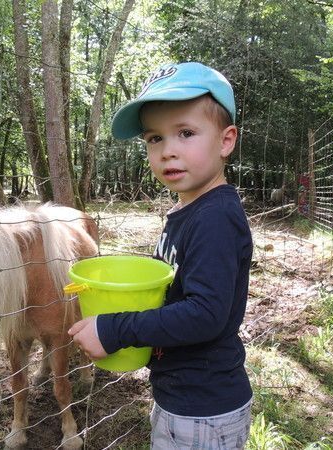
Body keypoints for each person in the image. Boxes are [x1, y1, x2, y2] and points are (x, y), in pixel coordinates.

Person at [69, 62, 253, 449]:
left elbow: (205, 314)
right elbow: (176, 290)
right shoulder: (187, 212)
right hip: (181, 396)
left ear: (225, 140)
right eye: (154, 138)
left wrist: (115, 329)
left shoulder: (216, 217)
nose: (168, 150)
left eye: (185, 133)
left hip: (204, 407)